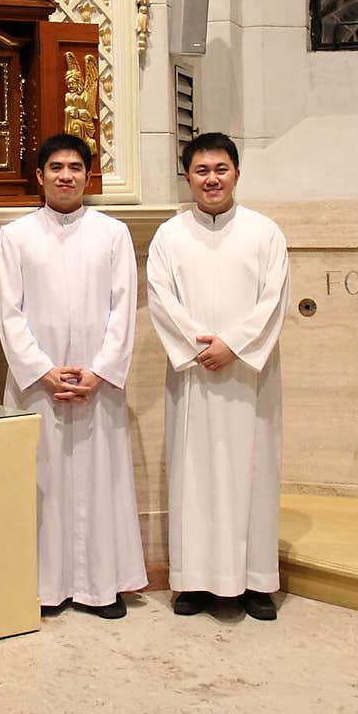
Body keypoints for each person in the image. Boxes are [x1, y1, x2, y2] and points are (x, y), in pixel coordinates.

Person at [0, 133, 146, 619]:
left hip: (96, 386)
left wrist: (100, 371)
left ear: (87, 175)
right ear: (39, 176)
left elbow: (124, 308)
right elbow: (9, 313)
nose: (65, 175)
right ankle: (44, 588)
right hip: (41, 386)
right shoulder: (15, 236)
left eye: (75, 167)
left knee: (101, 483)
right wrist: (43, 372)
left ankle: (102, 587)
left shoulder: (112, 232)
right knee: (43, 482)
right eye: (56, 167)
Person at [146, 132, 290, 621]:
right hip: (194, 377)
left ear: (237, 173)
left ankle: (255, 583)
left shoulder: (264, 232)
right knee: (194, 473)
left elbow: (273, 299)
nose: (212, 179)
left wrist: (234, 346)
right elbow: (161, 299)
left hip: (249, 376)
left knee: (253, 471)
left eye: (221, 169)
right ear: (186, 176)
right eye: (202, 170)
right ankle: (194, 581)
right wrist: (198, 346)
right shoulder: (170, 235)